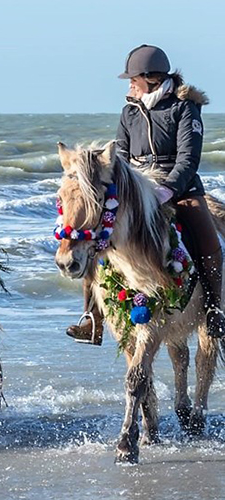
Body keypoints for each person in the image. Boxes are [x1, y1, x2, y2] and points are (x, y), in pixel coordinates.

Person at [66, 44, 225, 344]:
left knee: (207, 240)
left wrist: (166, 190)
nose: (130, 85)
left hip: (180, 189)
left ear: (151, 78)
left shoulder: (184, 108)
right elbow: (120, 159)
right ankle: (92, 317)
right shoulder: (129, 111)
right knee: (95, 236)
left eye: (133, 79)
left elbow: (188, 160)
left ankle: (214, 309)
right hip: (138, 191)